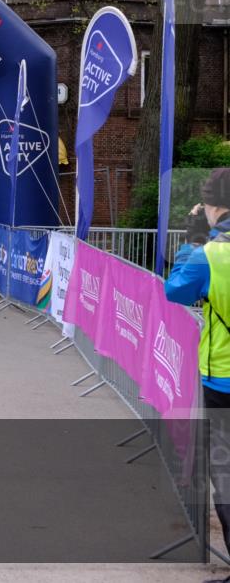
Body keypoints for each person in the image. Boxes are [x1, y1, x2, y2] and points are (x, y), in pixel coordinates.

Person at [165, 168, 230, 566]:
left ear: (212, 207)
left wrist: (193, 239)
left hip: (223, 377)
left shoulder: (210, 253)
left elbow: (175, 290)